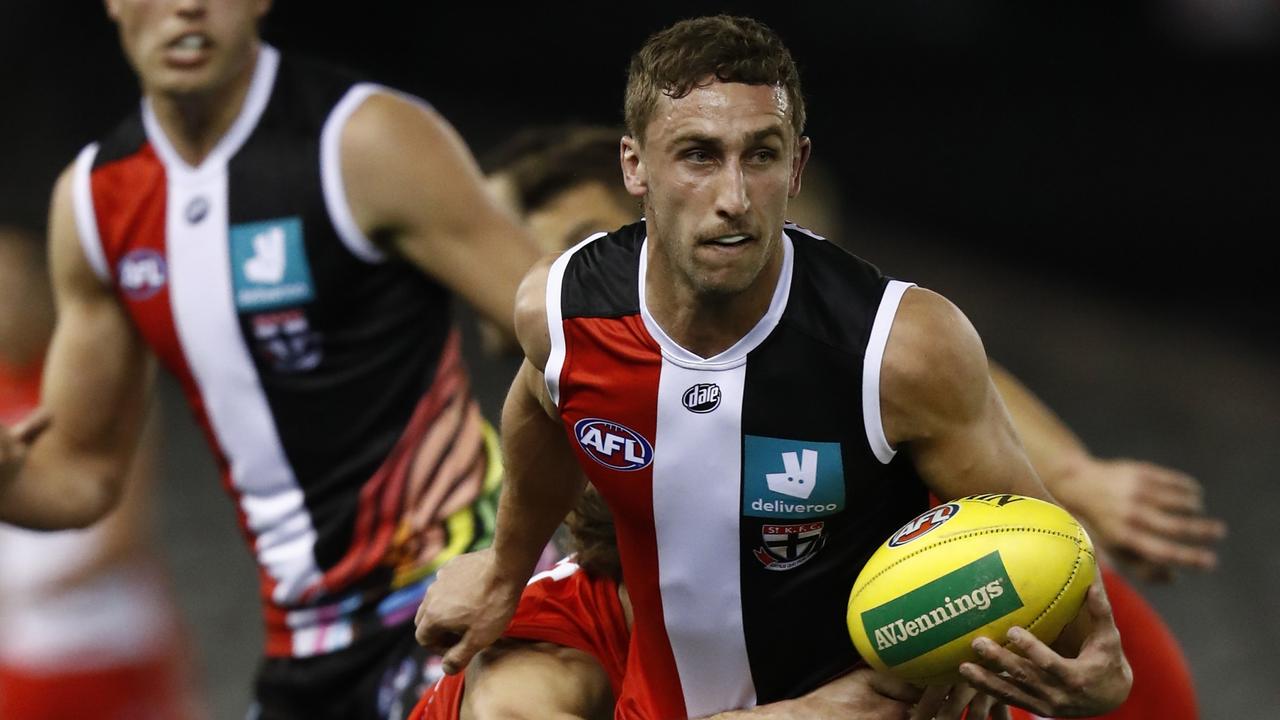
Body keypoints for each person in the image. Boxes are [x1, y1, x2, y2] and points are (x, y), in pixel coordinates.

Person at [417, 14, 1132, 719]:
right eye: (698, 155)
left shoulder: (898, 346)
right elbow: (537, 411)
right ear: (634, 166)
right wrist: (506, 571)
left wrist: (1104, 673)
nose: (733, 199)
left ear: (797, 166)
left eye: (760, 155)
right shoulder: (561, 309)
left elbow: (1048, 555)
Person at [0, 1, 542, 717]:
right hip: (305, 651)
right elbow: (80, 477)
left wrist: (520, 557)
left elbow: (579, 345)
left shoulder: (363, 140)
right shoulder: (97, 203)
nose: (187, 6)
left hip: (447, 607)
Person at [0, 227, 204, 719]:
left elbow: (124, 529)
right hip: (24, 651)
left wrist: (28, 590)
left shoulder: (90, 380)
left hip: (111, 639)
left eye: (9, 292)